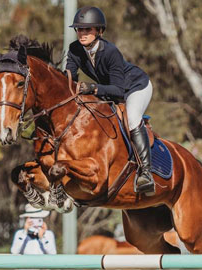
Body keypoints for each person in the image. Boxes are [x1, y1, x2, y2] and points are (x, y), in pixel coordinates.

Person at [66, 6, 155, 196]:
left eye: (87, 30)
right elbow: (68, 79)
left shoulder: (111, 52)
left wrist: (92, 88)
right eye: (79, 29)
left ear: (99, 31)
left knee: (131, 118)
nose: (82, 34)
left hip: (135, 87)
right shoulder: (74, 49)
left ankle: (146, 172)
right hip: (110, 89)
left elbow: (118, 91)